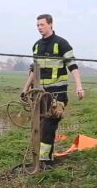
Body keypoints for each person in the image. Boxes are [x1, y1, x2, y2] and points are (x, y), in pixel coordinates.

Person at [21, 14, 84, 170]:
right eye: (37, 25)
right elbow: (34, 70)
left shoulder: (61, 44)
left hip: (58, 95)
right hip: (40, 95)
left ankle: (45, 162)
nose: (39, 28)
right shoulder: (36, 46)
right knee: (41, 127)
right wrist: (25, 88)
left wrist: (79, 86)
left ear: (50, 24)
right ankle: (44, 159)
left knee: (48, 127)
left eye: (42, 25)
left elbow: (73, 66)